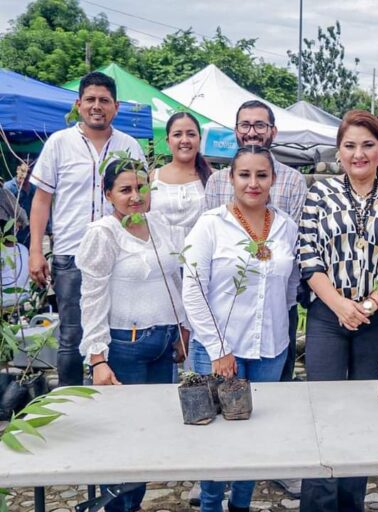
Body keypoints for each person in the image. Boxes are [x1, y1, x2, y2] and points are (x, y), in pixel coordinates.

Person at [299, 110, 378, 512]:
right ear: (339, 150)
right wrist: (339, 305)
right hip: (326, 317)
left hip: (376, 318)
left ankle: (351, 501)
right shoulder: (320, 194)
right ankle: (318, 504)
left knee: (365, 411)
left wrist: (367, 306)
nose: (358, 154)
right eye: (350, 145)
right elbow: (308, 254)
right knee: (324, 411)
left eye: (367, 145)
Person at [183, 145, 300, 512]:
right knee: (218, 438)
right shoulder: (211, 224)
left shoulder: (286, 226)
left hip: (270, 349)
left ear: (273, 180)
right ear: (231, 178)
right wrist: (218, 348)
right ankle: (211, 505)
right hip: (219, 351)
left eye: (261, 175)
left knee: (255, 437)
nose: (253, 183)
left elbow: (291, 286)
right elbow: (193, 288)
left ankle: (242, 505)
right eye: (245, 175)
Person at [202, 99, 307, 499]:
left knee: (262, 410)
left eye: (259, 125)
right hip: (228, 305)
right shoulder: (215, 184)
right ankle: (212, 487)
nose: (251, 131)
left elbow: (292, 253)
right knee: (219, 412)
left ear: (273, 132)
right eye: (244, 125)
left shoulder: (294, 181)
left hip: (276, 302)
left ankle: (257, 479)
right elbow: (205, 260)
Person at [77, 159, 186, 512]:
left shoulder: (160, 225)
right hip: (126, 346)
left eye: (141, 188)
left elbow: (175, 279)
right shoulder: (103, 233)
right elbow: (92, 296)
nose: (135, 197)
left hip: (163, 342)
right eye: (125, 190)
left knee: (151, 430)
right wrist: (98, 357)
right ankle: (117, 507)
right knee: (123, 433)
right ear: (108, 194)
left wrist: (182, 328)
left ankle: (134, 504)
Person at [28, 71, 145, 386]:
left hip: (120, 253)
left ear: (115, 107)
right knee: (71, 336)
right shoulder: (59, 144)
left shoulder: (129, 146)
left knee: (115, 331)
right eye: (90, 100)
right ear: (79, 104)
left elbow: (140, 198)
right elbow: (41, 201)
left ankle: (112, 398)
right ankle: (70, 406)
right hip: (72, 254)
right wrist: (36, 251)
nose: (97, 106)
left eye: (104, 101)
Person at [150, 112, 211, 252]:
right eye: (177, 135)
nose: (185, 140)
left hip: (202, 259)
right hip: (160, 260)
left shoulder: (214, 178)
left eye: (191, 134)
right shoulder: (152, 177)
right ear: (168, 141)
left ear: (199, 139)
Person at [0, 187, 30, 308]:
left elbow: (21, 216)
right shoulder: (22, 249)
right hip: (23, 297)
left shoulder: (2, 193)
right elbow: (22, 217)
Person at [3, 163, 36, 247]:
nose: (25, 175)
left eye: (28, 172)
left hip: (30, 231)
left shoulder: (34, 189)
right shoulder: (8, 187)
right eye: (22, 171)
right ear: (17, 170)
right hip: (12, 231)